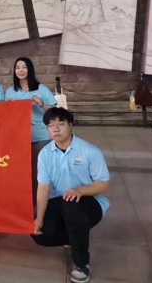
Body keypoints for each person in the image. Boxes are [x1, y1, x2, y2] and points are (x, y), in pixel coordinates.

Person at [32, 107, 110, 283]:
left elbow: (103, 184)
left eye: (61, 124)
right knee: (40, 233)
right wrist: (39, 218)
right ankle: (73, 235)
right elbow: (43, 187)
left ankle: (82, 264)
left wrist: (80, 190)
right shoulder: (45, 154)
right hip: (61, 201)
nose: (56, 129)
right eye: (51, 125)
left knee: (72, 207)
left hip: (90, 202)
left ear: (70, 126)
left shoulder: (89, 151)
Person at [5, 57, 57, 200]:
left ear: (30, 69)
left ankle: (40, 203)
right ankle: (24, 202)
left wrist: (41, 104)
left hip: (40, 137)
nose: (20, 70)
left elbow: (54, 111)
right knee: (21, 172)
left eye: (24, 67)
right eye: (17, 68)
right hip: (18, 138)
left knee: (38, 172)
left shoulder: (41, 89)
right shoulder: (10, 92)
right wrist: (8, 107)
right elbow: (4, 115)